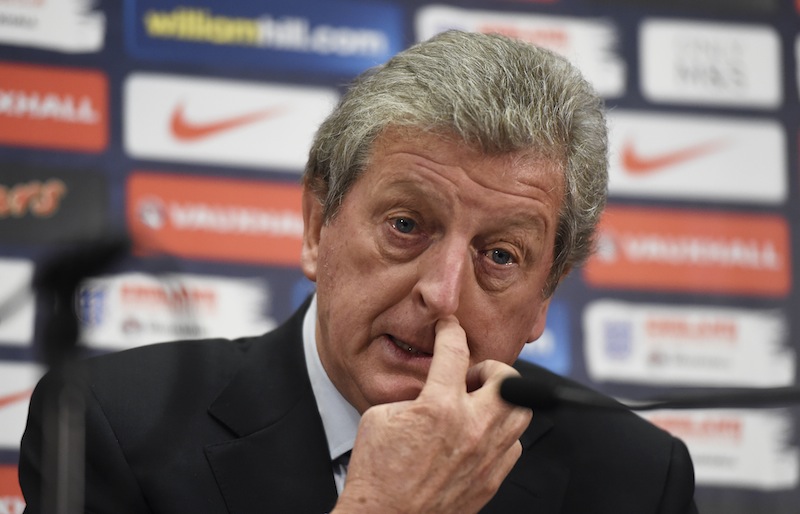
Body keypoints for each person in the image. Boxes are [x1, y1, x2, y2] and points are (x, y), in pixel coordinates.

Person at [19, 30, 698, 513]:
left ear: (546, 293)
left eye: (500, 256)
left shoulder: (632, 479)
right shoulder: (113, 429)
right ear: (319, 225)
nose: (442, 293)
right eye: (407, 226)